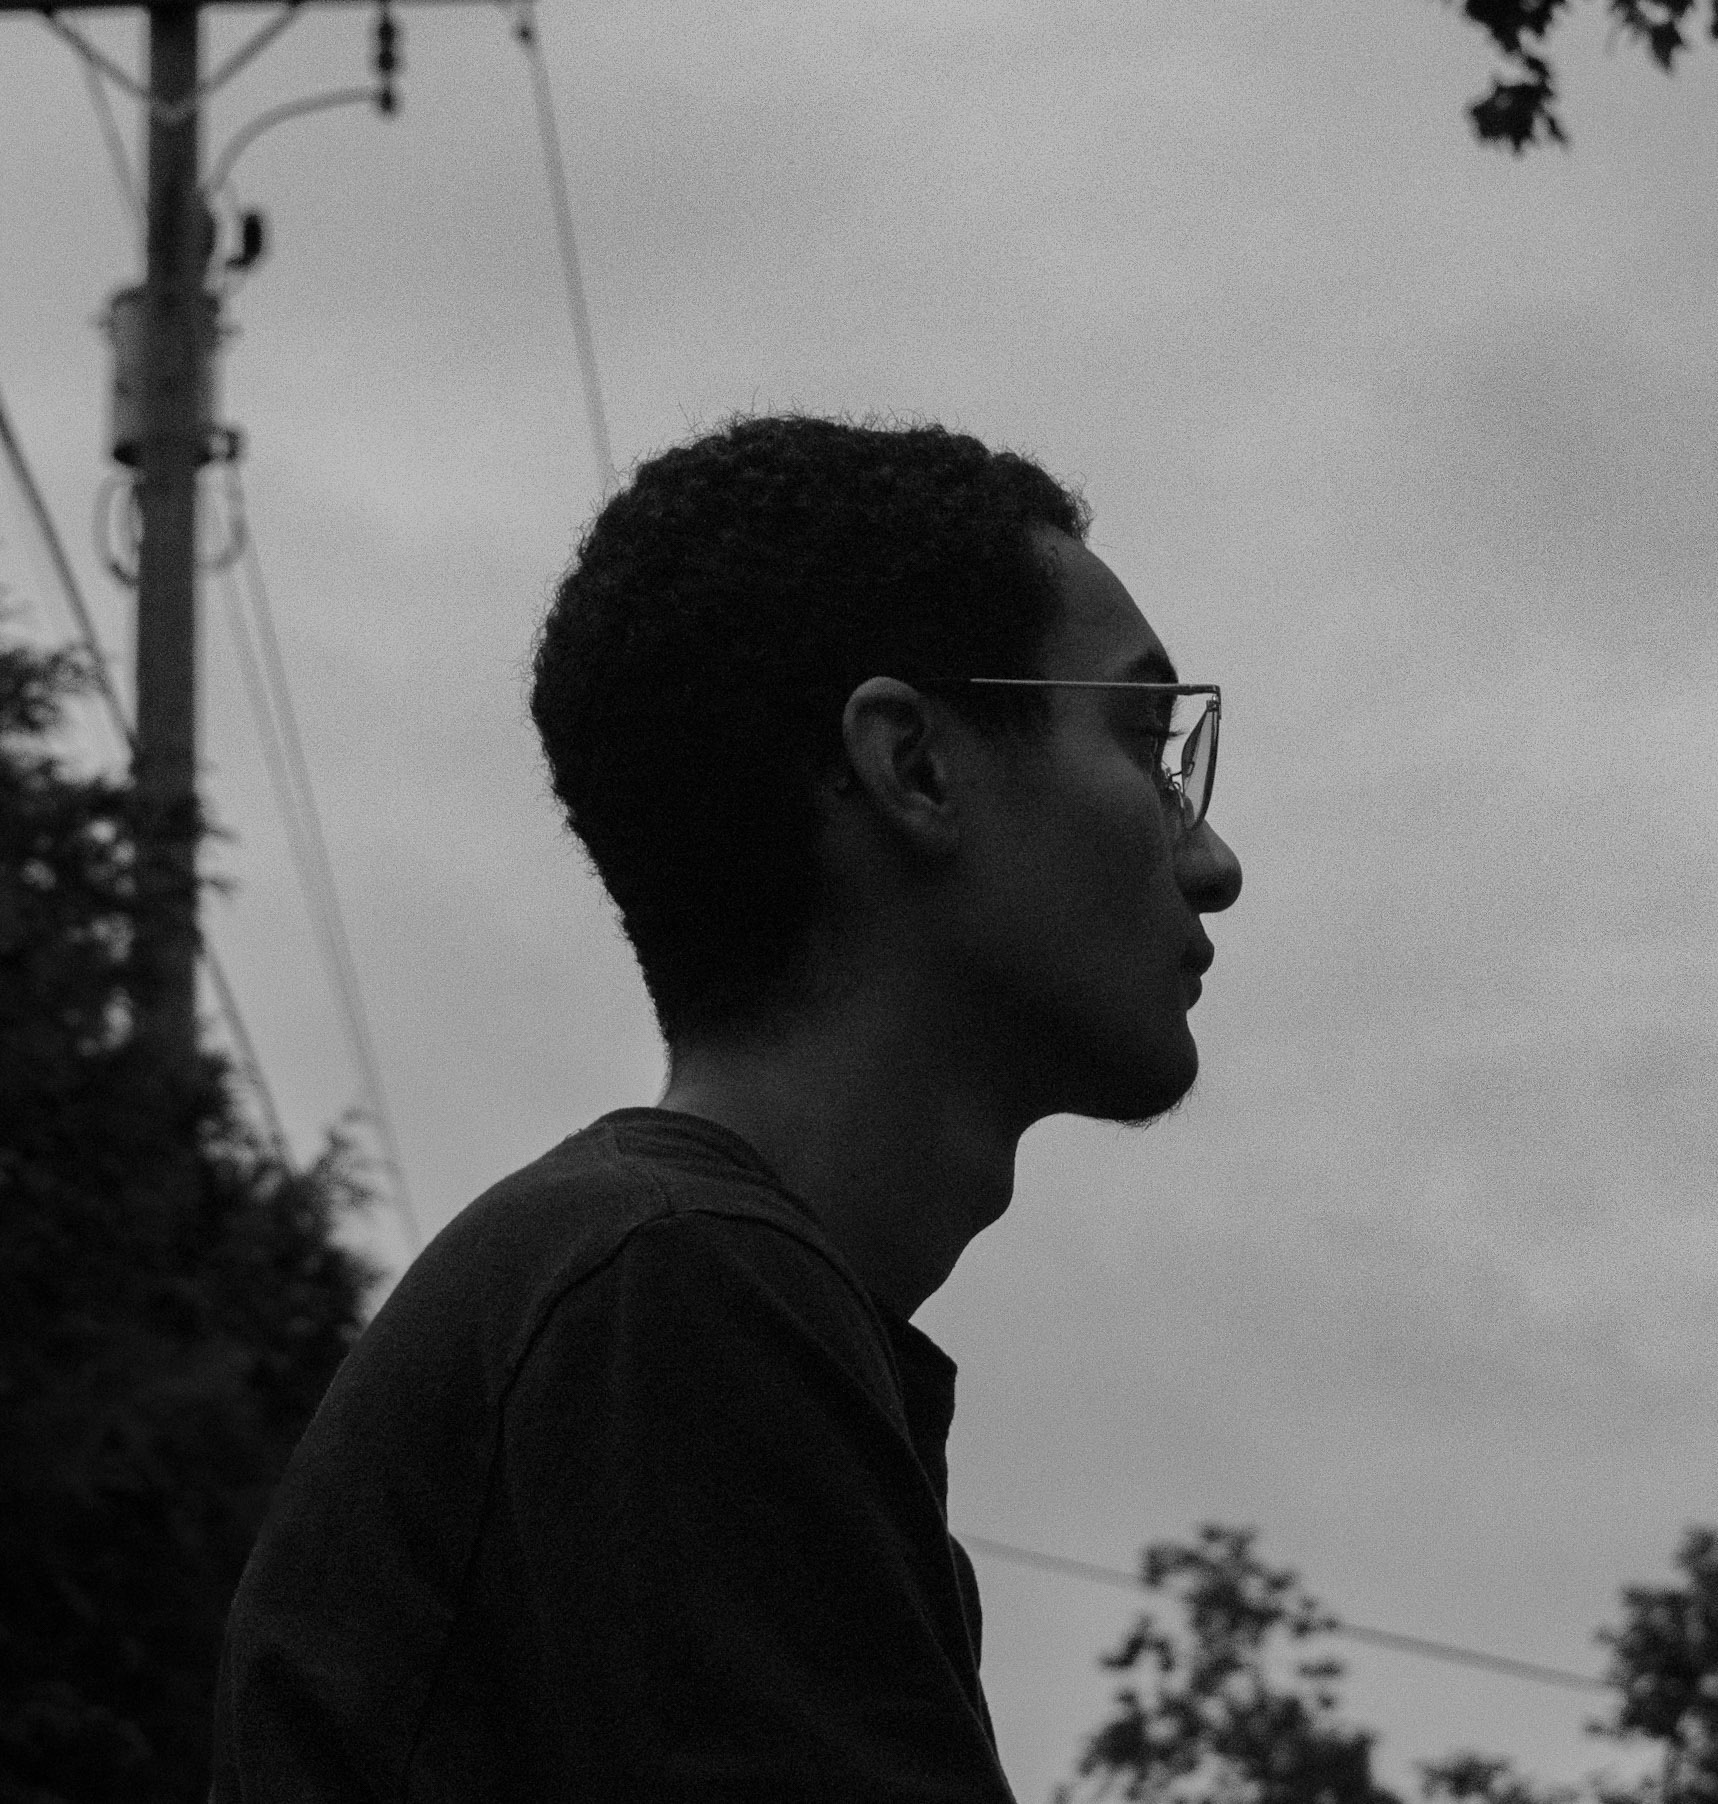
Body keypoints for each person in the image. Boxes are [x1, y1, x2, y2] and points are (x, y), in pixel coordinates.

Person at [210, 414, 1242, 1802]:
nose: (1212, 859)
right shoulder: (673, 1302)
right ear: (915, 767)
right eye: (1145, 737)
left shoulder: (662, 1301)